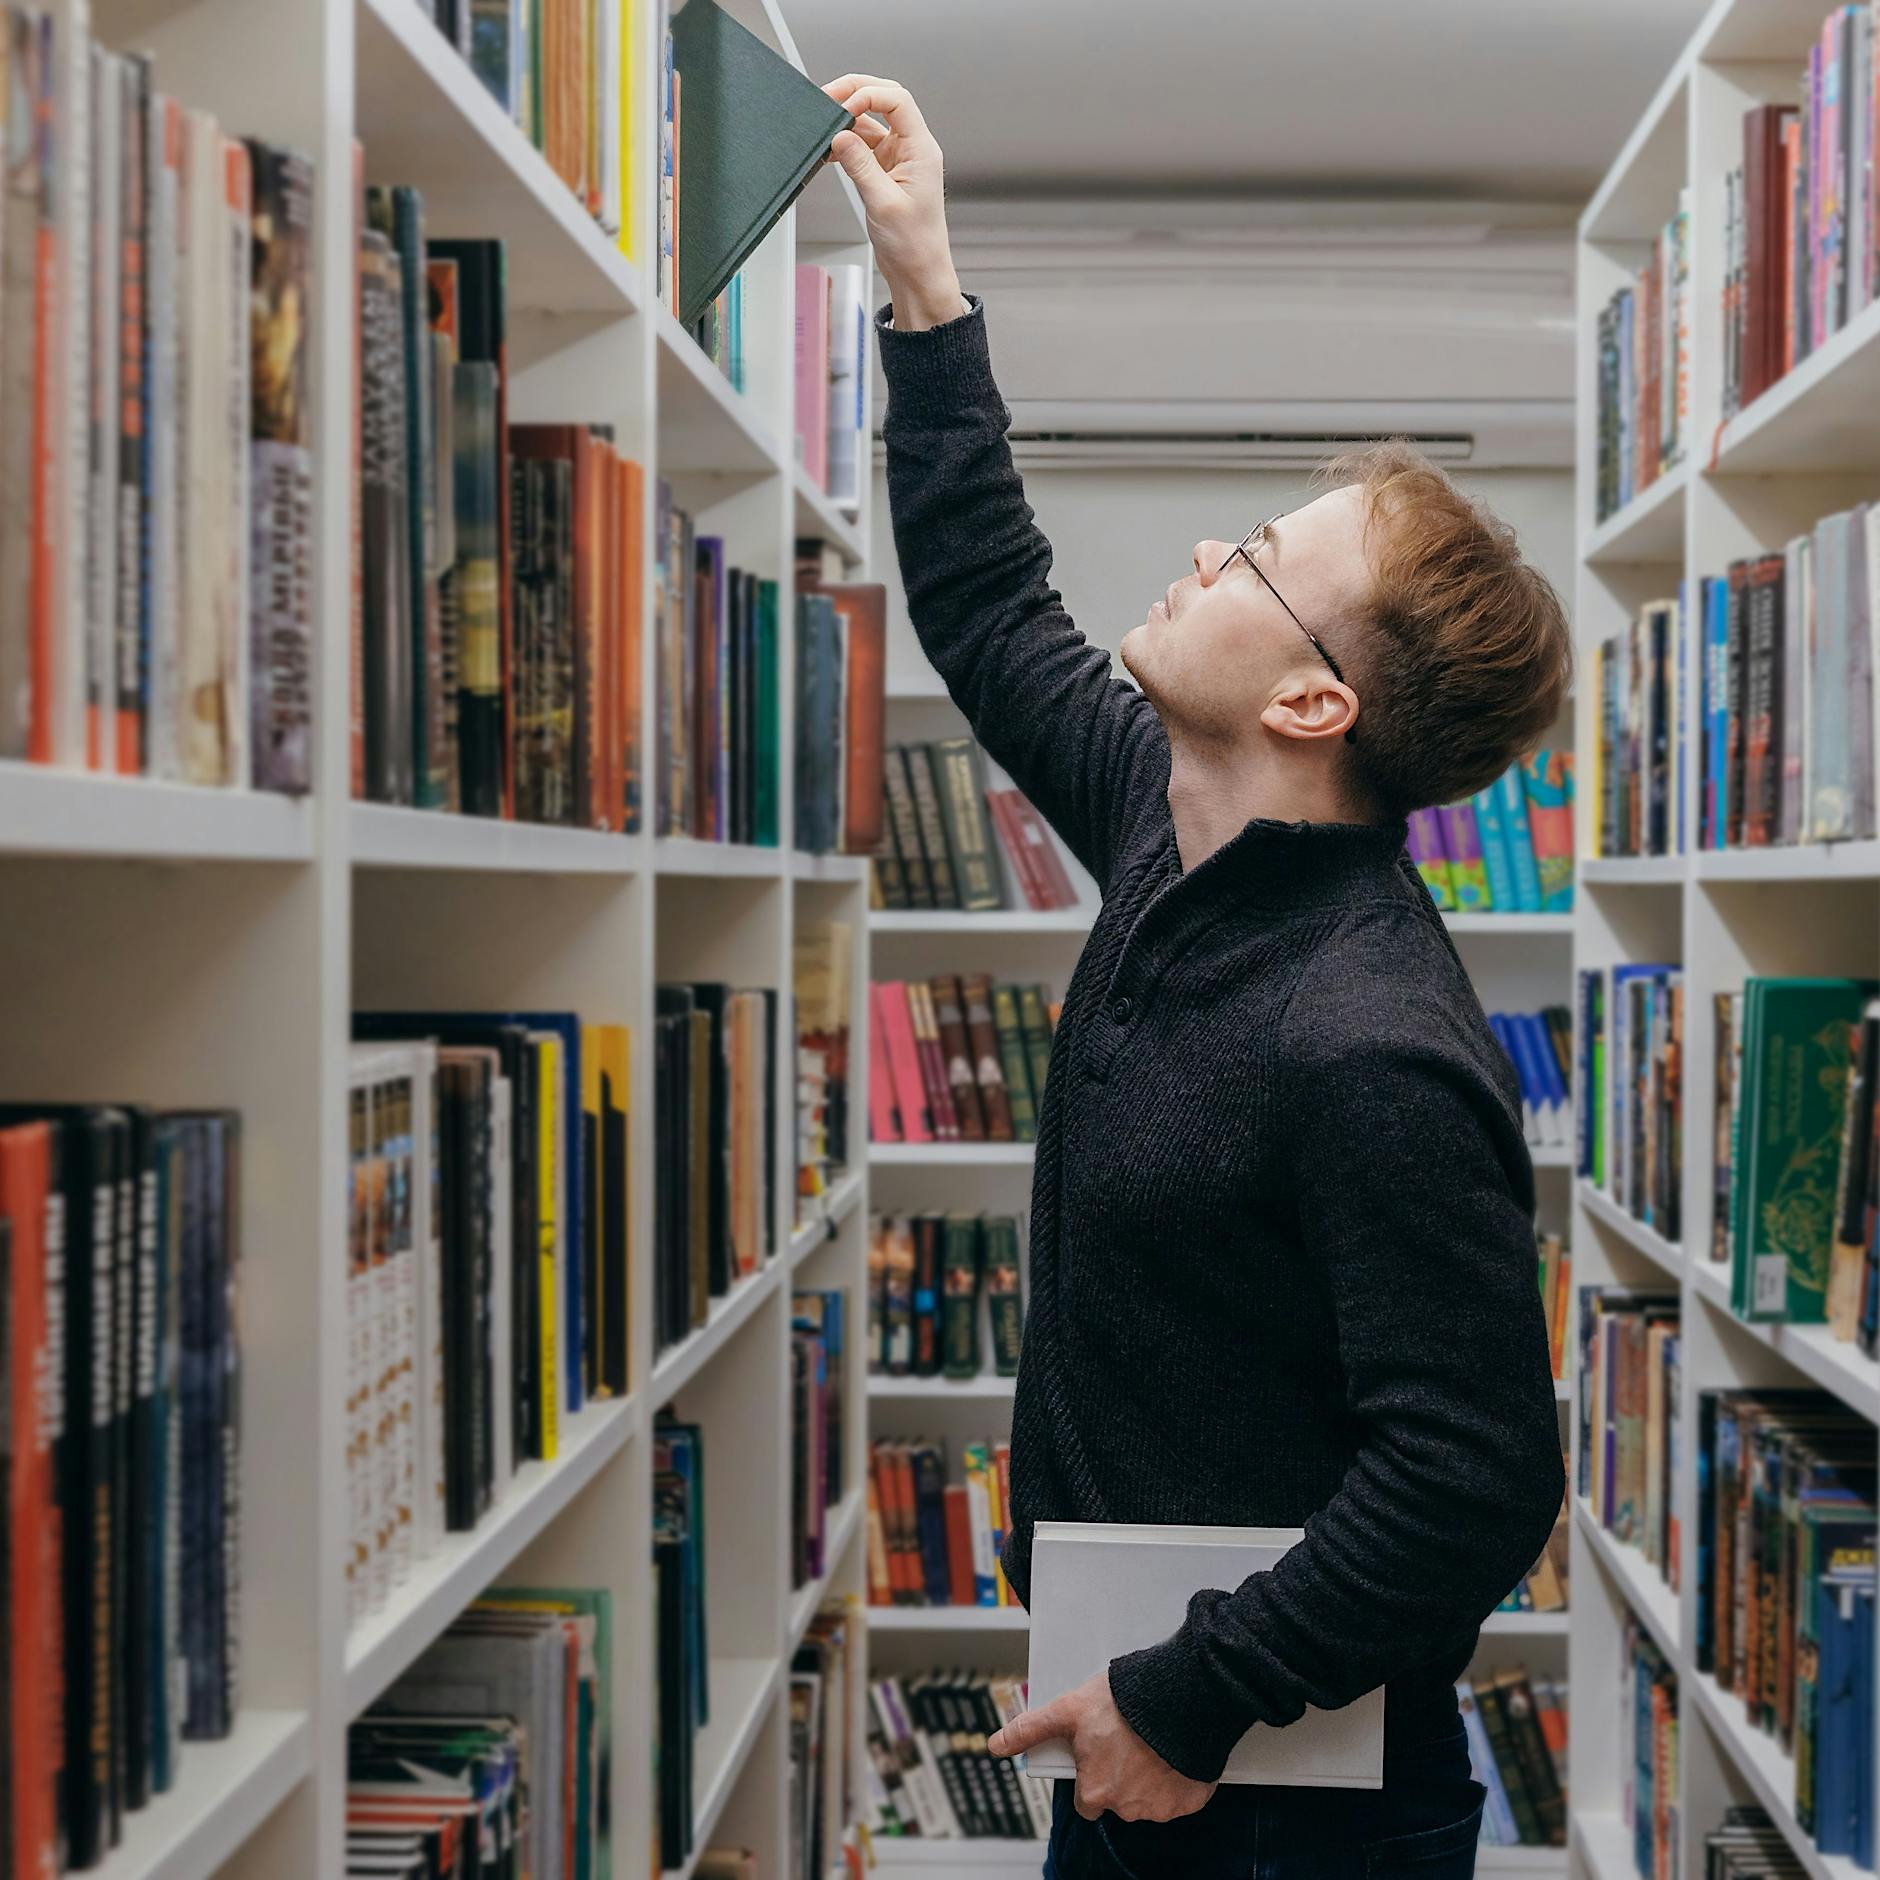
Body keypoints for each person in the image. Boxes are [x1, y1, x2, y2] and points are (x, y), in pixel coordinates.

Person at [824, 73, 1570, 1880]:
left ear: (1311, 704)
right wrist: (927, 286)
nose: (1200, 553)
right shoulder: (1178, 839)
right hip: (1152, 1727)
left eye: (1251, 558)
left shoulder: (1367, 1036)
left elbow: (1474, 1477)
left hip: (1283, 1798)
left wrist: (1193, 1692)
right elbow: (998, 613)